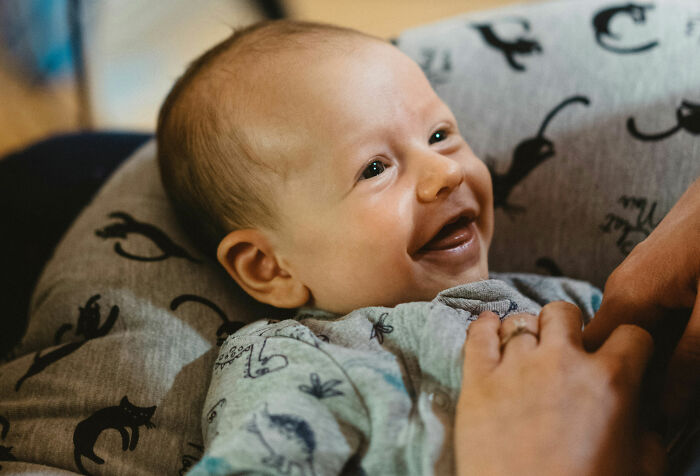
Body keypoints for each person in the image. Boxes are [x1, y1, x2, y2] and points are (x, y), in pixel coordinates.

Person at [156, 19, 695, 475]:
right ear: (270, 267)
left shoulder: (566, 301)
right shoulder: (297, 359)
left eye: (440, 135)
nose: (446, 170)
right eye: (374, 168)